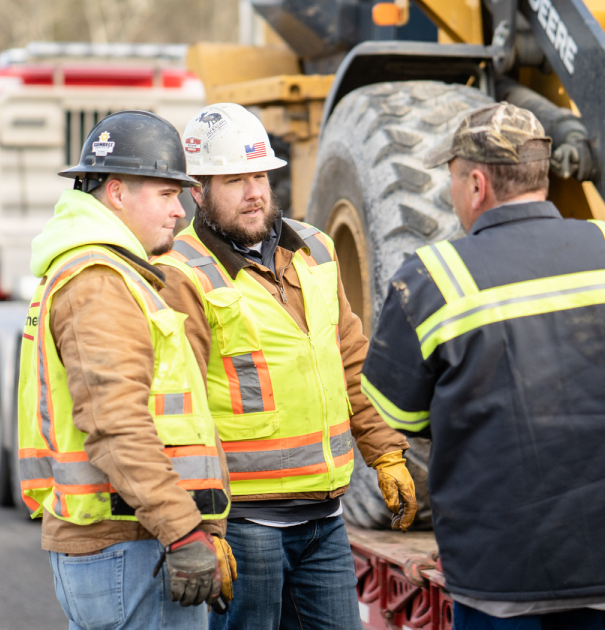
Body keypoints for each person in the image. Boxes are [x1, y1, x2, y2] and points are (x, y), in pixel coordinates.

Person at [360, 102, 605, 630]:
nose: (453, 192)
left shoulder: (432, 277)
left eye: (453, 179)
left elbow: (402, 419)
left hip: (505, 579)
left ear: (477, 184)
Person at [154, 103, 417, 630]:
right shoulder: (180, 273)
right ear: (197, 192)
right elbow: (176, 412)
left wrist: (385, 451)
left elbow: (350, 358)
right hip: (248, 522)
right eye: (235, 181)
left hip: (324, 517)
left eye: (260, 175)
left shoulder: (315, 249)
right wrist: (199, 523)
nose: (254, 192)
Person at [17, 110, 238, 630]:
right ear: (116, 192)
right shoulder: (99, 282)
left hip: (130, 541)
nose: (180, 212)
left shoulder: (108, 272)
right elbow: (117, 428)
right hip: (130, 546)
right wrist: (183, 531)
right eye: (165, 194)